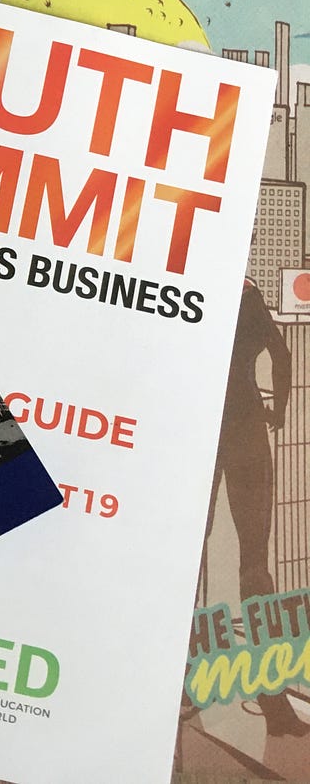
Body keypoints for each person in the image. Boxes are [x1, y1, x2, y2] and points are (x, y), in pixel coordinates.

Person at [208, 278, 306, 737]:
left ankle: (180, 684)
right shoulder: (247, 295)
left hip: (202, 429)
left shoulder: (196, 288)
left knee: (186, 558)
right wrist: (279, 411)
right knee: (255, 565)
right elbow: (281, 356)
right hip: (247, 425)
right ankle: (274, 702)